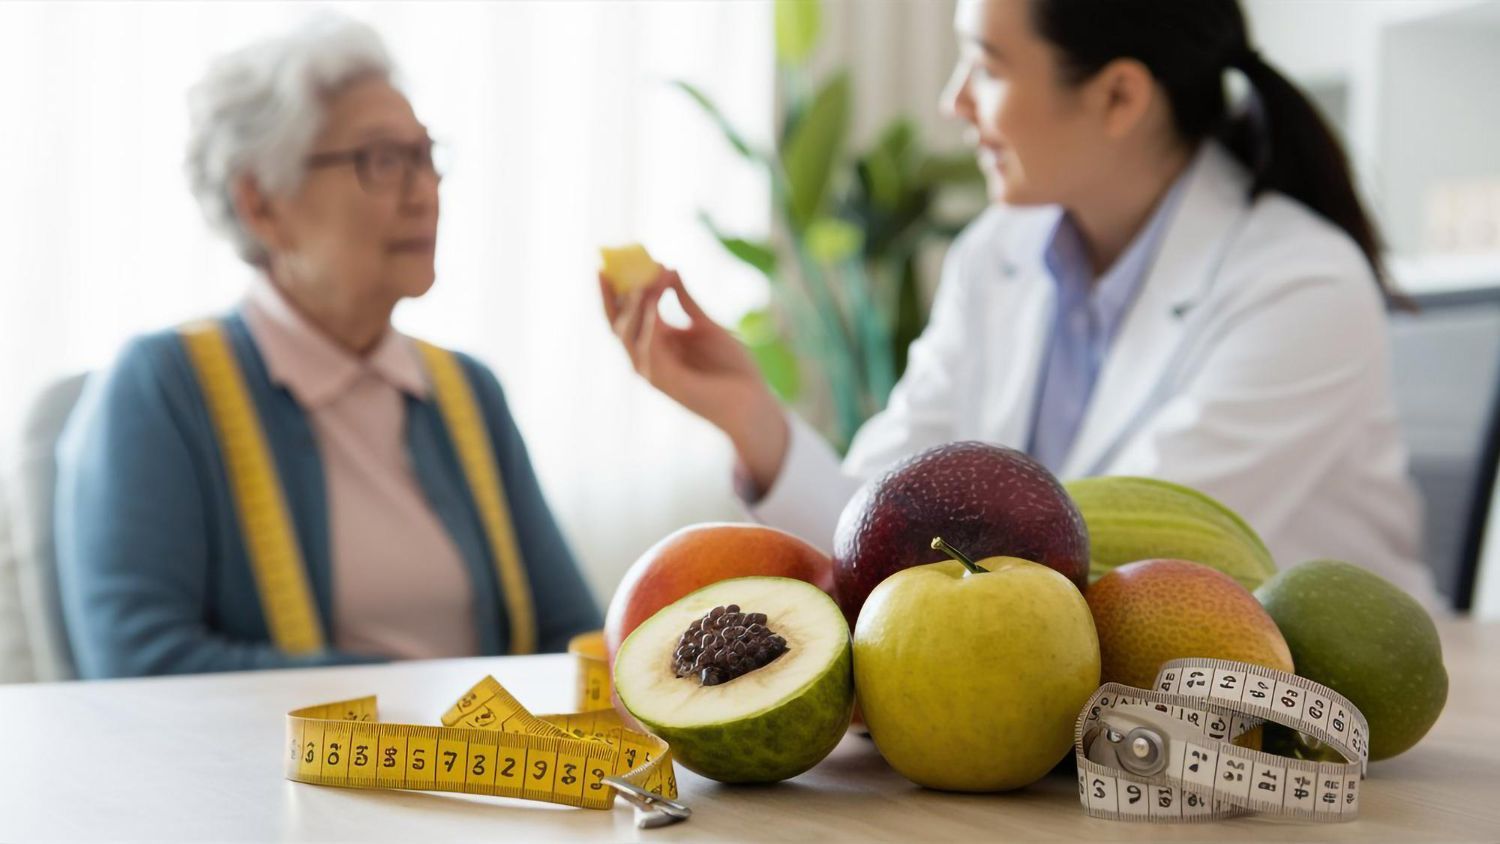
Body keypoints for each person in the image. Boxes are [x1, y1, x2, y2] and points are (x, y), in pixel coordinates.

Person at [603, 0, 1439, 605]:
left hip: (1308, 740)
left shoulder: (1300, 285)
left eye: (987, 66)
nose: (953, 101)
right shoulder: (996, 258)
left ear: (1118, 97)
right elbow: (878, 525)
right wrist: (752, 417)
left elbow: (1126, 566)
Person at [56, 15, 600, 678]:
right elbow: (139, 664)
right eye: (381, 161)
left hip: (485, 777)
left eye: (426, 156)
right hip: (272, 782)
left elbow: (573, 637)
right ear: (261, 204)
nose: (425, 192)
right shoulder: (163, 387)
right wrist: (421, 716)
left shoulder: (468, 390)